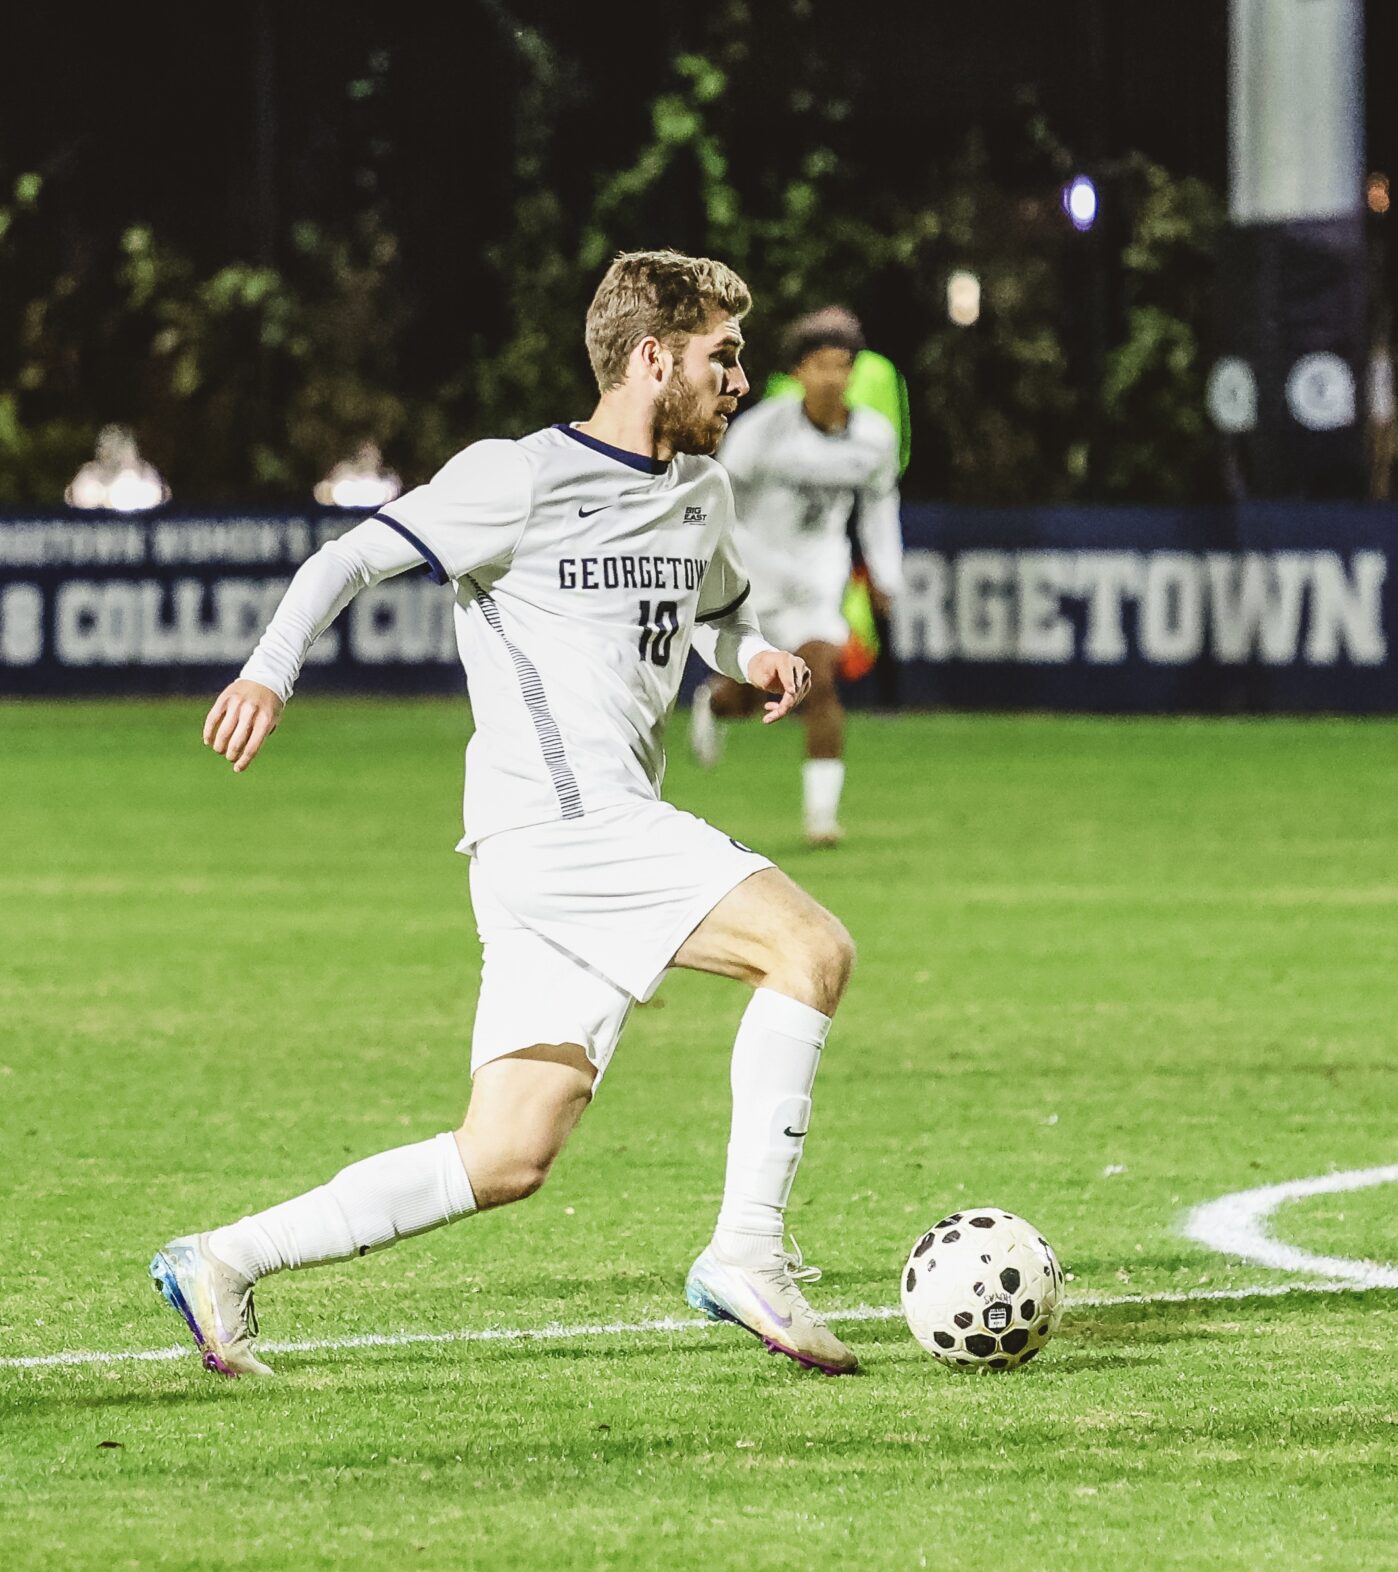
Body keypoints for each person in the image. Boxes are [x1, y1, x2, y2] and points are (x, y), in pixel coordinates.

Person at [151, 250, 866, 1378]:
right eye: (722, 357)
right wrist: (267, 675)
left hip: (551, 853)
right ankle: (748, 1253)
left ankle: (222, 1259)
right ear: (652, 358)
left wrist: (759, 655)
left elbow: (715, 617)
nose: (740, 380)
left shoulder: (703, 493)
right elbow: (347, 560)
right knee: (810, 950)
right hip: (567, 826)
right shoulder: (517, 477)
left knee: (506, 1153)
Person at [690, 306, 906, 847]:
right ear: (799, 372)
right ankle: (715, 702)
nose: (832, 377)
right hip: (756, 576)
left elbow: (879, 508)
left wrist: (885, 575)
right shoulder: (761, 431)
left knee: (818, 681)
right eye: (821, 365)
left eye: (842, 366)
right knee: (751, 696)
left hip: (818, 579)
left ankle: (821, 819)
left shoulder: (874, 437)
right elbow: (719, 501)